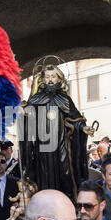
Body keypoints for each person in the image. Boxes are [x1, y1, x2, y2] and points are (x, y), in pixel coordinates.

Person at [19, 61, 94, 202]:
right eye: (47, 77)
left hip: (61, 146)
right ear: (42, 79)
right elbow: (28, 116)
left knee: (65, 175)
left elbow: (75, 119)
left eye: (53, 76)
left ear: (59, 79)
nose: (50, 80)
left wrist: (83, 128)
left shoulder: (65, 99)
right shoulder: (35, 99)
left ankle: (67, 203)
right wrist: (23, 112)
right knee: (44, 176)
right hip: (43, 147)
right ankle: (45, 204)